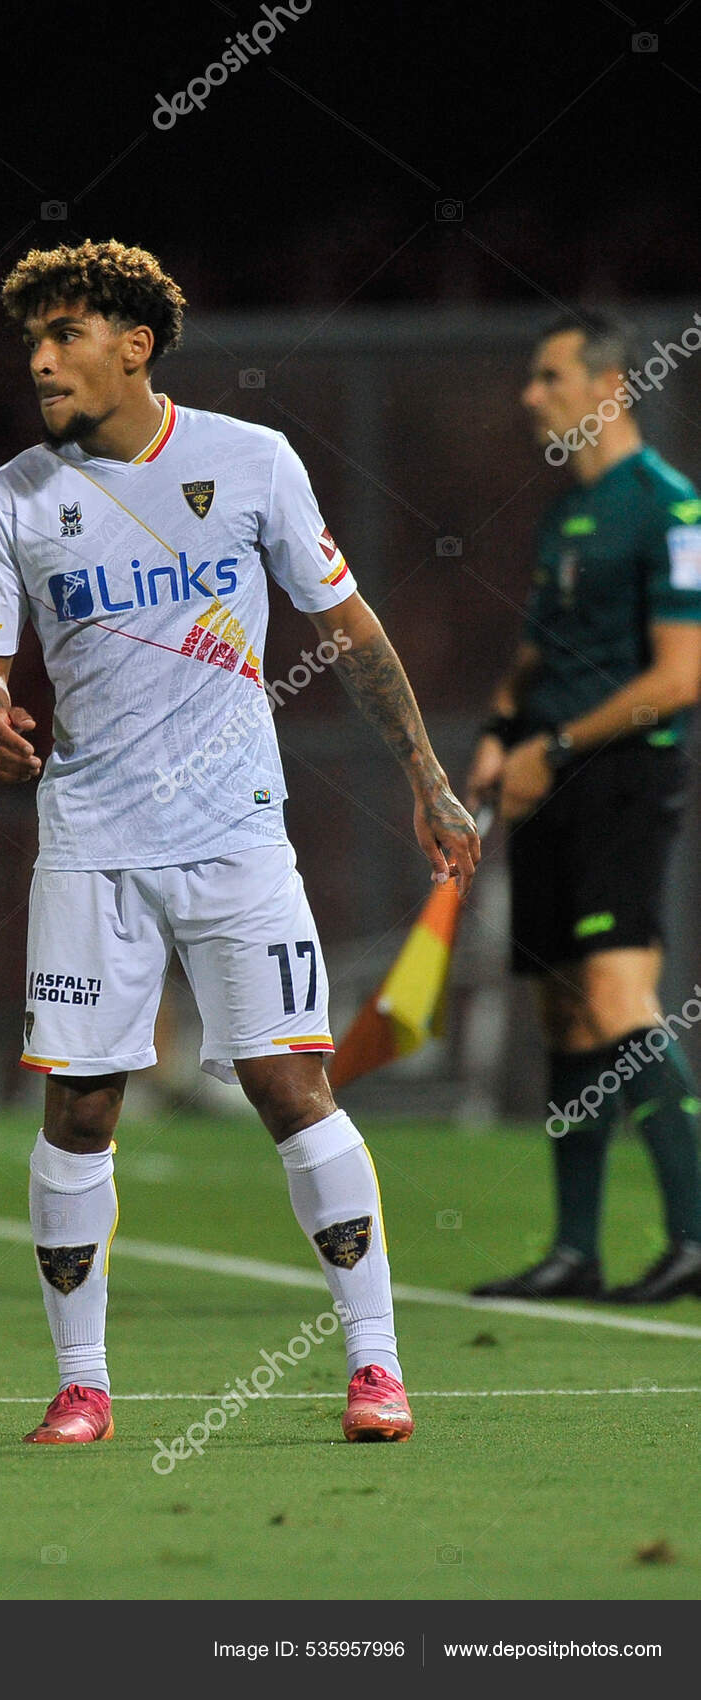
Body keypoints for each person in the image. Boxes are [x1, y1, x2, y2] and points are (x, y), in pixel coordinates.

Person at [0, 238, 478, 1445]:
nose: (40, 359)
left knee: (290, 1084)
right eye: (31, 341)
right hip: (89, 841)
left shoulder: (251, 464)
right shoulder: (10, 498)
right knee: (79, 1110)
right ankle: (82, 1383)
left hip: (235, 835)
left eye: (64, 336)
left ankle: (375, 1365)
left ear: (134, 346)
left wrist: (422, 771)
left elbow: (346, 628)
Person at [468, 314, 701, 1304]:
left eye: (548, 374)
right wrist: (499, 726)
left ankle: (692, 1233)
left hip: (616, 777)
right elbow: (537, 654)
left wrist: (555, 746)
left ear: (608, 386)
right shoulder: (565, 513)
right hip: (545, 780)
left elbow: (681, 674)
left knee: (614, 994)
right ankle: (573, 1248)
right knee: (561, 1011)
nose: (530, 394)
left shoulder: (670, 508)